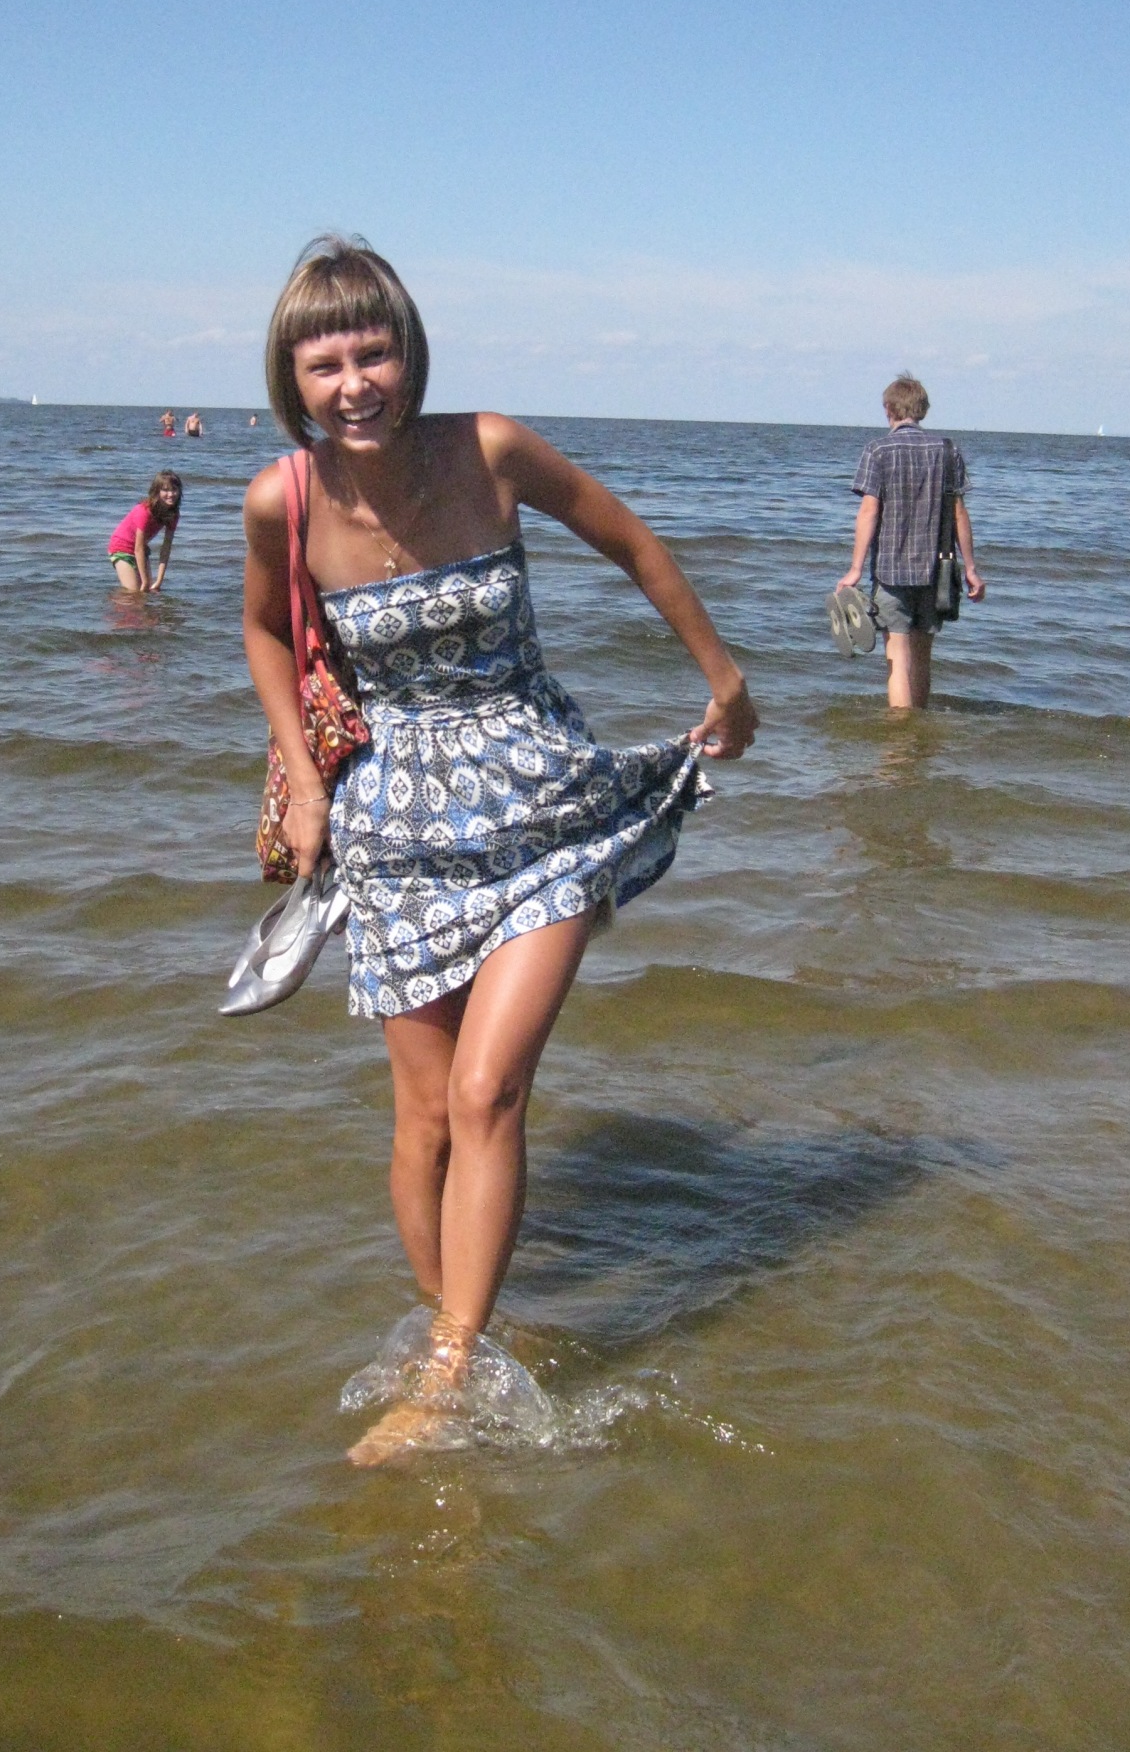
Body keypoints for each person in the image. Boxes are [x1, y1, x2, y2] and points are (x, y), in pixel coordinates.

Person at [242, 237, 758, 1465]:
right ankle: (459, 1328)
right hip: (392, 825)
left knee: (489, 1090)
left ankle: (444, 1377)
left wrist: (725, 678)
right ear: (292, 377)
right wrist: (304, 779)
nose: (355, 382)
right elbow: (264, 630)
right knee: (426, 1117)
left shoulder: (491, 448)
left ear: (409, 352)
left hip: (542, 799)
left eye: (374, 352)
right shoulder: (283, 499)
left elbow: (633, 542)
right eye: (326, 363)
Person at [836, 372, 985, 709]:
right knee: (922, 658)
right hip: (936, 572)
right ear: (923, 410)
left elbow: (868, 511)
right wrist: (972, 570)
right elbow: (959, 513)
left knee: (897, 660)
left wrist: (855, 569)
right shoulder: (947, 451)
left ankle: (902, 734)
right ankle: (918, 726)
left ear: (889, 409)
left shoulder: (877, 451)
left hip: (891, 571)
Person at [108, 472, 182, 593]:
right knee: (135, 593)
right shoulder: (145, 510)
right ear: (157, 492)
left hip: (141, 548)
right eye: (165, 490)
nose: (170, 494)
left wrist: (159, 581)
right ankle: (117, 602)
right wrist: (145, 581)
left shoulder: (173, 514)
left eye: (174, 489)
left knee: (148, 592)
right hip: (121, 547)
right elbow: (138, 549)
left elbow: (166, 547)